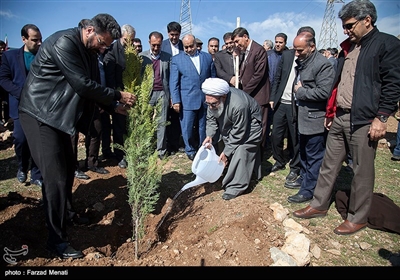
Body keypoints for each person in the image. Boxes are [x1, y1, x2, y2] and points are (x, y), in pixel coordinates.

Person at [18, 13, 136, 259]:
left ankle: (67, 215)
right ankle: (56, 241)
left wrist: (112, 107)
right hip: (39, 113)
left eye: (108, 46)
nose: (104, 49)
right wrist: (117, 95)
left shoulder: (92, 53)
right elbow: (81, 84)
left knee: (68, 168)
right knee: (55, 177)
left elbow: (91, 88)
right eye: (103, 43)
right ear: (90, 30)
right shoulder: (65, 42)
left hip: (58, 116)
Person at [293, 0, 400, 235]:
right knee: (328, 164)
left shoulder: (387, 44)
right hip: (340, 116)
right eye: (344, 25)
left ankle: (357, 217)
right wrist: (332, 112)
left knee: (361, 170)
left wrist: (382, 117)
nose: (346, 30)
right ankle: (319, 204)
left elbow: (393, 84)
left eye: (350, 25)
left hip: (364, 120)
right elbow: (339, 83)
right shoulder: (348, 47)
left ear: (367, 20)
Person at [287, 32, 334, 203]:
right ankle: (305, 180)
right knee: (305, 154)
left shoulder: (323, 65)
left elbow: (324, 92)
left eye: (300, 50)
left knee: (314, 156)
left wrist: (301, 92)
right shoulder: (304, 62)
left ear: (312, 47)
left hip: (314, 119)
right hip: (302, 117)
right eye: (295, 50)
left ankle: (309, 190)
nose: (296, 54)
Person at [201, 77, 263, 200]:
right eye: (208, 104)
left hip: (250, 127)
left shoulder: (239, 105)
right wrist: (210, 135)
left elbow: (239, 133)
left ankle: (236, 186)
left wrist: (227, 152)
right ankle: (231, 173)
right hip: (233, 125)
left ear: (223, 97)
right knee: (223, 143)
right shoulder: (212, 101)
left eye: (213, 104)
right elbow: (211, 119)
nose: (211, 107)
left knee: (241, 150)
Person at [0, 24, 43, 187]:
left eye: (40, 39)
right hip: (20, 106)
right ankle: (22, 167)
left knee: (38, 141)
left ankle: (36, 175)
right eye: (34, 40)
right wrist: (21, 93)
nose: (39, 43)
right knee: (20, 139)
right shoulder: (10, 57)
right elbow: (3, 80)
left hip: (40, 106)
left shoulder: (44, 55)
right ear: (24, 39)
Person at [170, 34, 216, 160]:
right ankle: (190, 149)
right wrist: (176, 100)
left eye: (191, 46)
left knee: (203, 127)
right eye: (186, 47)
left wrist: (213, 96)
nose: (189, 49)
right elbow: (174, 83)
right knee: (187, 127)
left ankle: (203, 148)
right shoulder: (177, 59)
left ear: (196, 44)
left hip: (205, 100)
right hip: (187, 100)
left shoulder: (206, 57)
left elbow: (212, 78)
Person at [103, 23, 136, 169]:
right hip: (117, 94)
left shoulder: (131, 52)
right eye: (126, 40)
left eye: (131, 41)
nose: (129, 44)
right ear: (120, 37)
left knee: (128, 126)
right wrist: (116, 99)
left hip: (131, 92)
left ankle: (130, 152)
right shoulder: (111, 52)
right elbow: (109, 78)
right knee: (118, 126)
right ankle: (120, 155)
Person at [232, 27, 270, 150]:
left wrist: (244, 93)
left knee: (260, 126)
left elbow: (258, 75)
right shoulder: (244, 52)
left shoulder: (259, 50)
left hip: (258, 96)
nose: (236, 45)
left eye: (238, 41)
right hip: (249, 96)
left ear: (245, 37)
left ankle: (259, 152)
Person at [139, 31, 172, 159]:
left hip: (163, 93)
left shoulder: (167, 57)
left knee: (161, 122)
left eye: (158, 45)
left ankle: (161, 151)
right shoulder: (142, 57)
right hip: (147, 94)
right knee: (145, 122)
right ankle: (146, 149)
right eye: (154, 45)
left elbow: (170, 77)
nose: (156, 48)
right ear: (149, 43)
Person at [161, 21, 184, 156]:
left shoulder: (183, 46)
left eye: (176, 35)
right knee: (164, 118)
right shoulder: (162, 46)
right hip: (165, 86)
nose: (174, 38)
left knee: (176, 117)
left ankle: (175, 144)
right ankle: (165, 145)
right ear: (168, 33)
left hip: (180, 86)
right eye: (171, 35)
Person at [265, 33, 288, 158]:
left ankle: (278, 146)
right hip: (268, 92)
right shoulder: (268, 55)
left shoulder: (287, 56)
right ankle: (267, 143)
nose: (278, 44)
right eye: (276, 42)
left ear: (285, 43)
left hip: (282, 94)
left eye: (281, 42)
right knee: (267, 120)